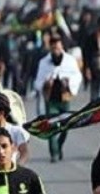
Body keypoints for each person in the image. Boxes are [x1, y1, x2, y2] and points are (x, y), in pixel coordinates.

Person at [34, 29, 83, 163]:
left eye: (58, 45)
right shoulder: (44, 62)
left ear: (62, 46)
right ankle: (54, 153)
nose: (56, 48)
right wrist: (46, 82)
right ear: (50, 47)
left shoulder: (69, 61)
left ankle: (59, 146)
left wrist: (68, 82)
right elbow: (38, 82)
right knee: (51, 126)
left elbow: (77, 76)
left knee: (65, 127)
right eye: (53, 46)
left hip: (64, 98)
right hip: (51, 100)